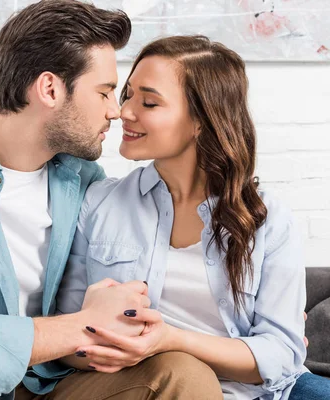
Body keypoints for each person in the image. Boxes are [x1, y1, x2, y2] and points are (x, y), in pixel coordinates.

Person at [0, 2, 223, 400]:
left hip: (56, 382)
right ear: (50, 89)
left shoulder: (84, 180)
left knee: (181, 373)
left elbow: (131, 281)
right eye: (105, 92)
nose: (116, 111)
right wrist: (78, 326)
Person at [56, 34, 330, 400]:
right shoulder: (99, 203)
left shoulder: (267, 219)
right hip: (143, 387)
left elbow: (282, 355)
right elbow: (67, 339)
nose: (125, 112)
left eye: (149, 102)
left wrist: (169, 340)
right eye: (128, 95)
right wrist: (110, 344)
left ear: (201, 120)